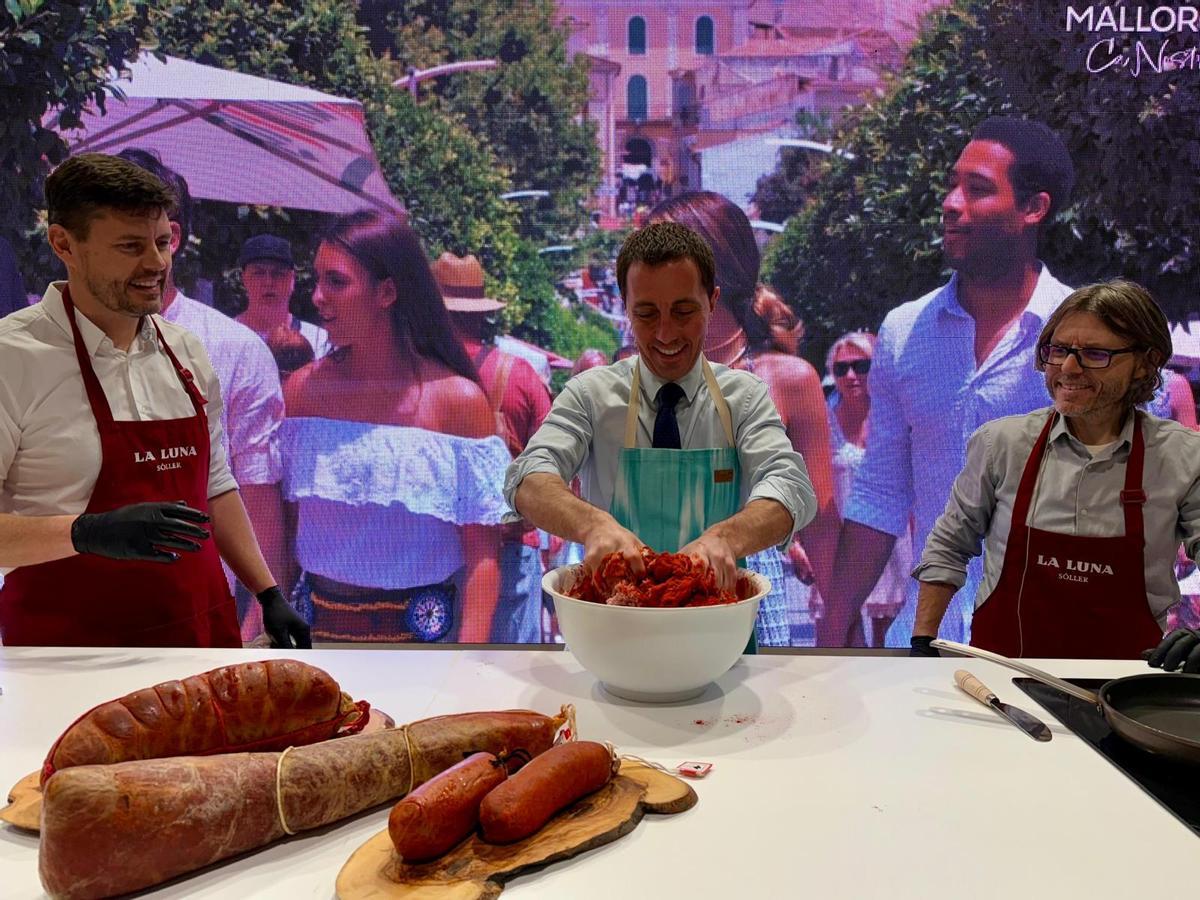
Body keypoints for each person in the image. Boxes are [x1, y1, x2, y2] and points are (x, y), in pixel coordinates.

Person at [0, 153, 309, 648]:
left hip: (198, 640)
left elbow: (216, 484)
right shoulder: (13, 357)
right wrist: (86, 534)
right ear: (65, 244)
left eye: (162, 243)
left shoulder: (184, 349)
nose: (156, 264)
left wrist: (267, 590)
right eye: (129, 247)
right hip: (65, 655)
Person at [817, 116, 1077, 648]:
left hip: (1051, 647)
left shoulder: (1088, 336)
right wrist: (835, 621)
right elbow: (881, 493)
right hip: (926, 643)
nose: (952, 203)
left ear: (1033, 209)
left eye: (977, 189)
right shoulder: (904, 332)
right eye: (952, 185)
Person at [505, 221, 816, 649]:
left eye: (683, 311)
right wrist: (593, 525)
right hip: (613, 637)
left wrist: (726, 538)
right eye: (646, 314)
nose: (665, 333)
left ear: (713, 302)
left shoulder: (743, 398)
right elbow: (528, 478)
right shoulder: (590, 394)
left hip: (719, 641)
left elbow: (791, 487)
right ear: (626, 308)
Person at [910, 280, 1200, 659]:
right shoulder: (1002, 444)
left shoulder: (1183, 457)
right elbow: (948, 546)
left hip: (1123, 692)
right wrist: (922, 643)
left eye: (1094, 354)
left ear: (1146, 363)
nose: (1068, 367)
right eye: (1058, 350)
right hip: (1002, 681)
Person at [281, 211, 508, 643]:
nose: (318, 297)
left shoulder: (458, 402)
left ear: (386, 291)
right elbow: (287, 529)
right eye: (318, 280)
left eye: (337, 281)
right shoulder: (303, 392)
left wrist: (470, 662)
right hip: (315, 642)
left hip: (424, 647)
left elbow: (483, 552)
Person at [649, 192, 840, 645]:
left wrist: (840, 632)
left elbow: (820, 526)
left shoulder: (790, 380)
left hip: (751, 606)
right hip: (652, 602)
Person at [116, 148, 289, 640]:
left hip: (192, 618)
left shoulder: (234, 351)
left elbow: (259, 501)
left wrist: (261, 622)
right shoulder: (45, 344)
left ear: (173, 238)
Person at [433, 252, 552, 643]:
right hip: (511, 548)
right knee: (511, 683)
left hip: (435, 554)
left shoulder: (418, 378)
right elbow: (554, 467)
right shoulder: (519, 375)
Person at [824, 331, 912, 647]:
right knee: (841, 630)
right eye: (841, 368)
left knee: (887, 636)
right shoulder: (823, 420)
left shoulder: (896, 417)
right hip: (840, 541)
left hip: (892, 538)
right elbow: (808, 482)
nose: (851, 376)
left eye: (862, 366)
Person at [235, 233, 333, 361]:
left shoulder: (319, 342)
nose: (268, 282)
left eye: (278, 273)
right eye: (258, 273)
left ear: (292, 279)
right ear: (244, 278)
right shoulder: (223, 336)